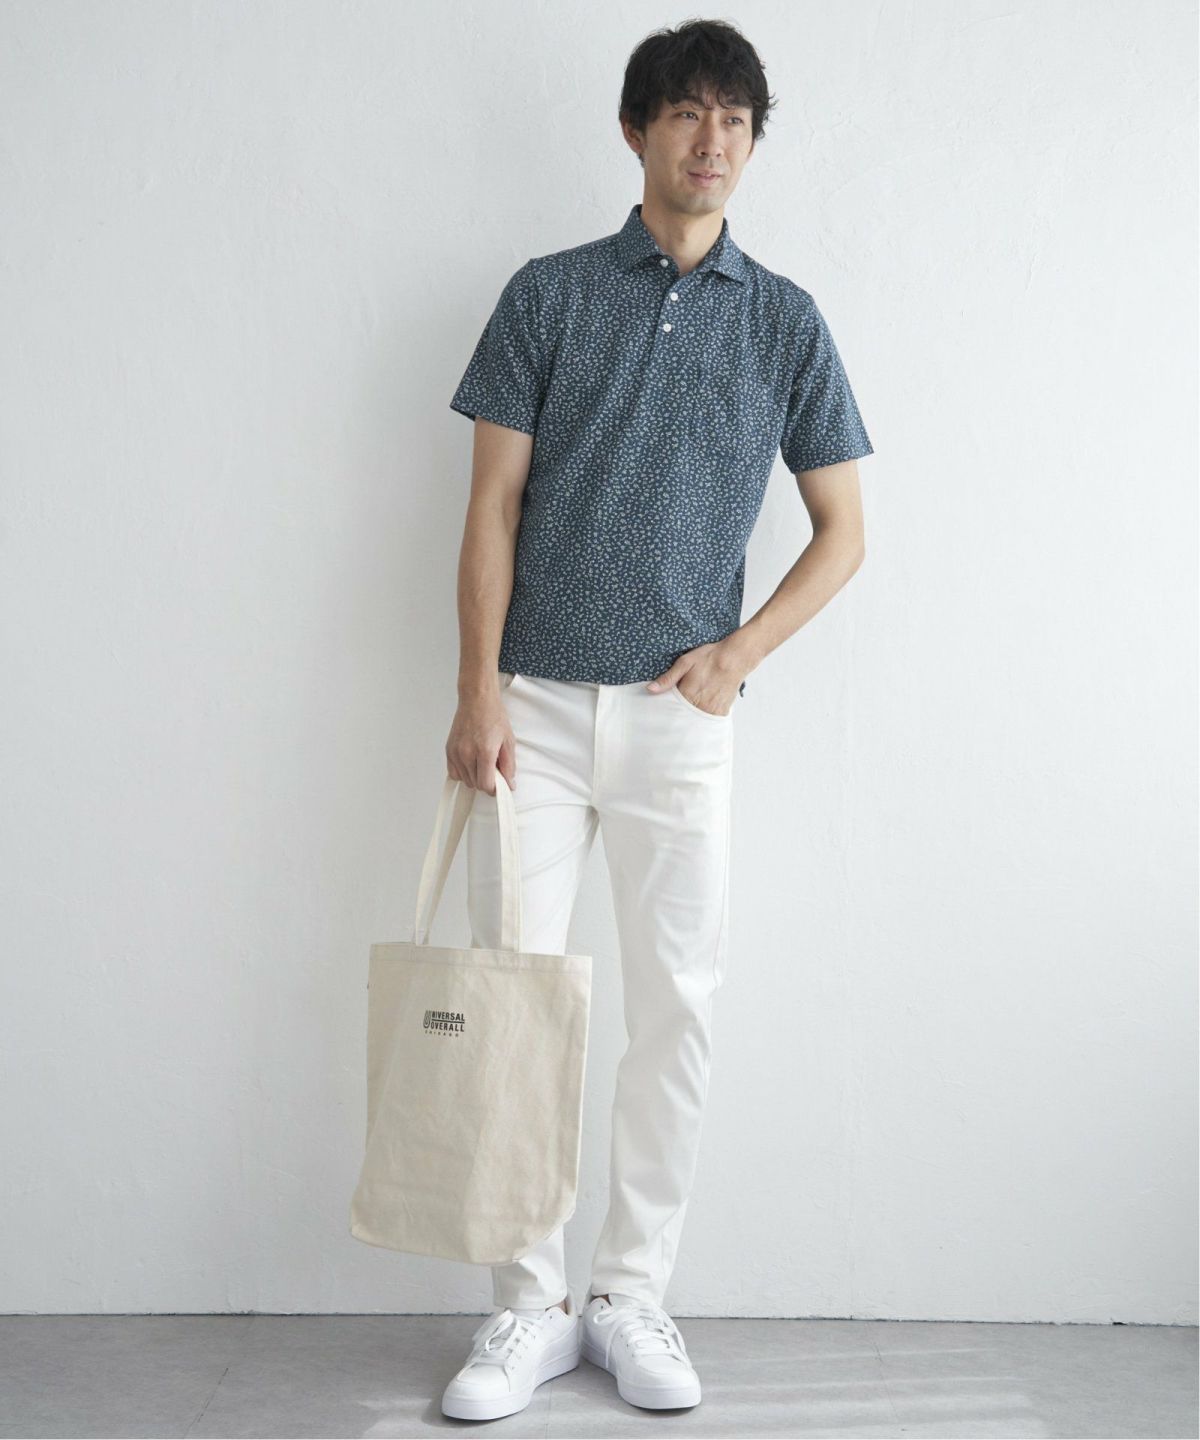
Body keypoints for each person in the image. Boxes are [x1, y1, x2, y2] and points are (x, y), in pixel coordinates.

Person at [438, 17, 874, 1422]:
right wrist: (475, 690)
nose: (712, 139)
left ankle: (631, 1294)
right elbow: (491, 505)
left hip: (682, 719)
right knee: (514, 1000)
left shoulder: (786, 320)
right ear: (636, 131)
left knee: (677, 1007)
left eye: (735, 118)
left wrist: (739, 656)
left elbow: (845, 530)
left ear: (753, 140)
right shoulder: (549, 294)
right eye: (686, 112)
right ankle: (527, 1304)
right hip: (533, 710)